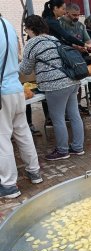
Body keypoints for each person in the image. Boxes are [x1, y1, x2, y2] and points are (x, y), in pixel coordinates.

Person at [20, 15, 85, 161]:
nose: (26, 32)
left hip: (55, 84)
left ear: (31, 28)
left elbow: (25, 69)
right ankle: (78, 147)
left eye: (26, 29)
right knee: (74, 114)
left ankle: (62, 150)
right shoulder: (53, 39)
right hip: (72, 80)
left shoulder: (32, 43)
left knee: (58, 118)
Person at [0, 15, 43, 198]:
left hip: (3, 91)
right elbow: (17, 53)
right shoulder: (7, 24)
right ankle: (34, 172)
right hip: (16, 88)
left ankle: (9, 185)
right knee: (23, 132)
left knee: (2, 138)